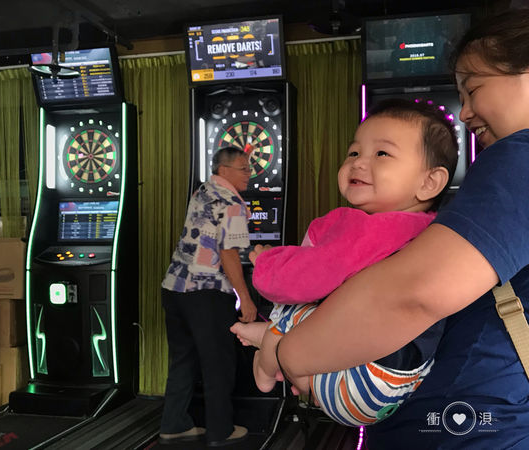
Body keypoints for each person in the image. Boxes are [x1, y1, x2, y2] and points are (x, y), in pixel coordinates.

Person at [274, 9, 529, 448]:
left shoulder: (519, 156)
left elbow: (415, 292)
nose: (465, 113)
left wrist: (287, 353)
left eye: (473, 89)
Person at [230, 98, 458, 426]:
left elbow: (301, 278)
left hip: (360, 380)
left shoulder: (370, 230)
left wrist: (266, 262)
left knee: (297, 305)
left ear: (429, 182)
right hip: (404, 381)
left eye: (382, 154)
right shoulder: (431, 229)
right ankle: (287, 355)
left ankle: (266, 361)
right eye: (353, 153)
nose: (359, 162)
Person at [158, 146, 257, 447]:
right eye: (243, 168)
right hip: (207, 293)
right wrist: (246, 298)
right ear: (224, 170)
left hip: (174, 287)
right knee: (218, 364)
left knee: (183, 360)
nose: (249, 174)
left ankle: (174, 424)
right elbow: (229, 254)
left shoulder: (203, 190)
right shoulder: (232, 203)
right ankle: (220, 430)